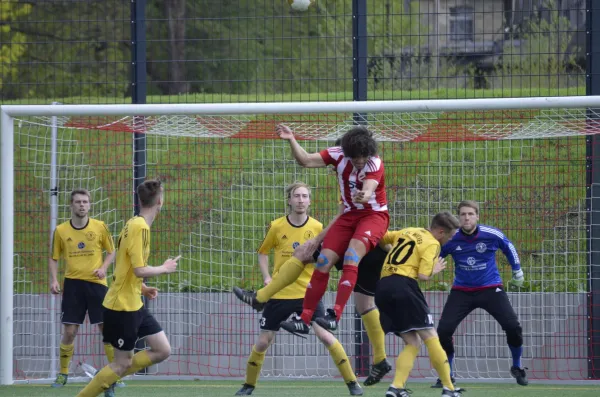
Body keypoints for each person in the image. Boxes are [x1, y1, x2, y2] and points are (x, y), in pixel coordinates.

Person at [234, 182, 363, 396]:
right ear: (289, 200)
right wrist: (267, 277)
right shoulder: (276, 226)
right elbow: (263, 252)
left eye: (304, 196)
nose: (301, 200)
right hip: (279, 294)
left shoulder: (318, 227)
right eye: (297, 196)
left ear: (310, 201)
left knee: (326, 336)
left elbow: (326, 256)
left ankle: (352, 383)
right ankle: (248, 386)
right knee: (263, 342)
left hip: (308, 294)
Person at [275, 124, 389, 334]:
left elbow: (368, 190)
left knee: (351, 256)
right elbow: (306, 160)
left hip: (373, 216)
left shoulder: (375, 163)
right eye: (355, 157)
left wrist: (362, 196)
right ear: (347, 152)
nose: (359, 161)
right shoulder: (337, 155)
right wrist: (291, 139)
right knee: (323, 260)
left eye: (363, 156)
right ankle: (305, 318)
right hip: (348, 215)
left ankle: (335, 315)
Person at [76, 179, 180, 397]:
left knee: (162, 350)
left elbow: (124, 268)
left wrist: (142, 288)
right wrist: (165, 267)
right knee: (122, 363)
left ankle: (108, 375)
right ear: (160, 201)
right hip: (122, 307)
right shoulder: (140, 227)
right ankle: (105, 377)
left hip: (134, 303)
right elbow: (139, 269)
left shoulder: (134, 222)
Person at [432, 200, 528, 388]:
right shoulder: (452, 238)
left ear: (477, 216)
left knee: (513, 326)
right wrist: (430, 267)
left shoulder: (491, 234)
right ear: (458, 218)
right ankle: (447, 374)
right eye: (462, 214)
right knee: (443, 331)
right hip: (461, 291)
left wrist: (517, 270)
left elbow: (508, 247)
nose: (466, 218)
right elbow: (435, 256)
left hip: (491, 289)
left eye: (470, 214)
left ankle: (517, 367)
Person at [375, 212, 463, 397]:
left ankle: (396, 387)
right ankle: (449, 388)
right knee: (430, 335)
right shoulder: (433, 243)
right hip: (404, 287)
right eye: (451, 236)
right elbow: (423, 275)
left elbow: (382, 238)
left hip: (383, 287)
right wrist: (435, 270)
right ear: (440, 232)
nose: (451, 239)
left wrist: (391, 251)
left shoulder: (409, 231)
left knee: (412, 342)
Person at [49, 189, 120, 388]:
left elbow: (112, 251)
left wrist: (104, 268)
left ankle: (115, 374)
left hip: (97, 285)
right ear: (71, 205)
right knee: (70, 331)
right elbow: (54, 258)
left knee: (106, 329)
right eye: (78, 202)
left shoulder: (100, 227)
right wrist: (54, 279)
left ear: (89, 205)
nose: (82, 205)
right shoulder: (61, 230)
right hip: (73, 286)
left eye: (85, 202)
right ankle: (63, 373)